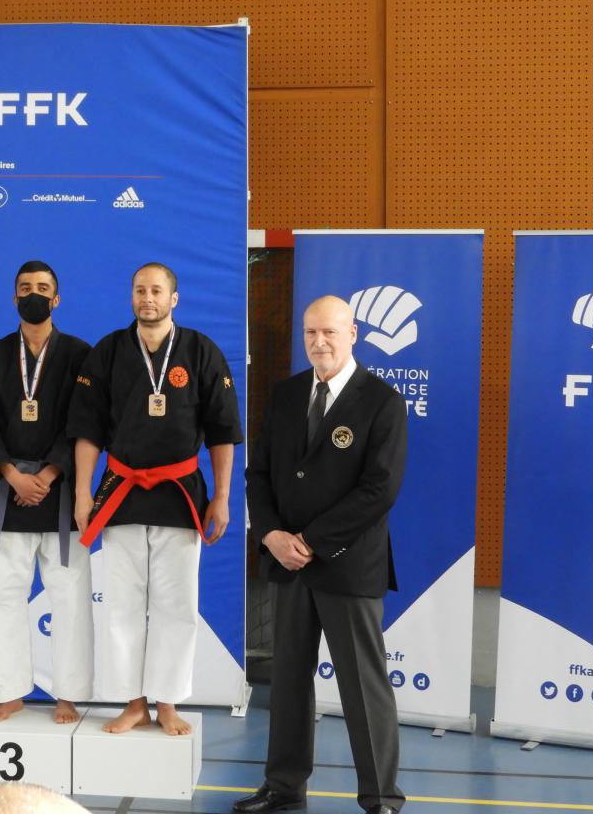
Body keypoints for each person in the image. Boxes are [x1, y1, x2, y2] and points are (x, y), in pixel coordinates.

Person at [235, 295, 407, 814]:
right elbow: (258, 473)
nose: (319, 342)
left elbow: (380, 490)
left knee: (362, 688)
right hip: (286, 566)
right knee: (286, 684)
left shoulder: (382, 401)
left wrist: (308, 541)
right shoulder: (286, 395)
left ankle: (380, 798)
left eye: (329, 332)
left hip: (348, 565)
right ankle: (283, 789)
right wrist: (270, 536)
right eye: (310, 333)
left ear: (353, 334)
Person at [69, 262, 240, 736]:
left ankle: (166, 702)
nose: (148, 298)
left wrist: (221, 497)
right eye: (140, 290)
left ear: (174, 298)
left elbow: (223, 433)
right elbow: (86, 431)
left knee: (176, 604)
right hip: (121, 490)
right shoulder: (107, 352)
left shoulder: (201, 352)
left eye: (157, 291)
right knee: (122, 603)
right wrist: (83, 493)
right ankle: (132, 701)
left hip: (180, 493)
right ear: (131, 297)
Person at [0, 260, 93, 723]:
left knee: (71, 599)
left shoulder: (81, 354)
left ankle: (68, 694)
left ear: (56, 299)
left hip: (60, 493)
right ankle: (8, 691)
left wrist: (51, 473)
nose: (33, 294)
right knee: (1, 596)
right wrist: (11, 474)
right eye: (25, 288)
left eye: (43, 288)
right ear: (13, 297)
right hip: (7, 489)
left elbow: (84, 421)